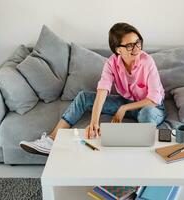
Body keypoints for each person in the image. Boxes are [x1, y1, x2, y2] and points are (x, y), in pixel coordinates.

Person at [20, 22, 166, 156]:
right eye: (130, 46)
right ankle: (51, 140)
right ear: (118, 50)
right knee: (84, 97)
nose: (136, 48)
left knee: (146, 114)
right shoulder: (111, 64)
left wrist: (124, 108)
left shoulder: (147, 61)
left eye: (138, 43)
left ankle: (142, 153)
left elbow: (154, 99)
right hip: (126, 101)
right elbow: (102, 91)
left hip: (151, 106)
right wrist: (94, 122)